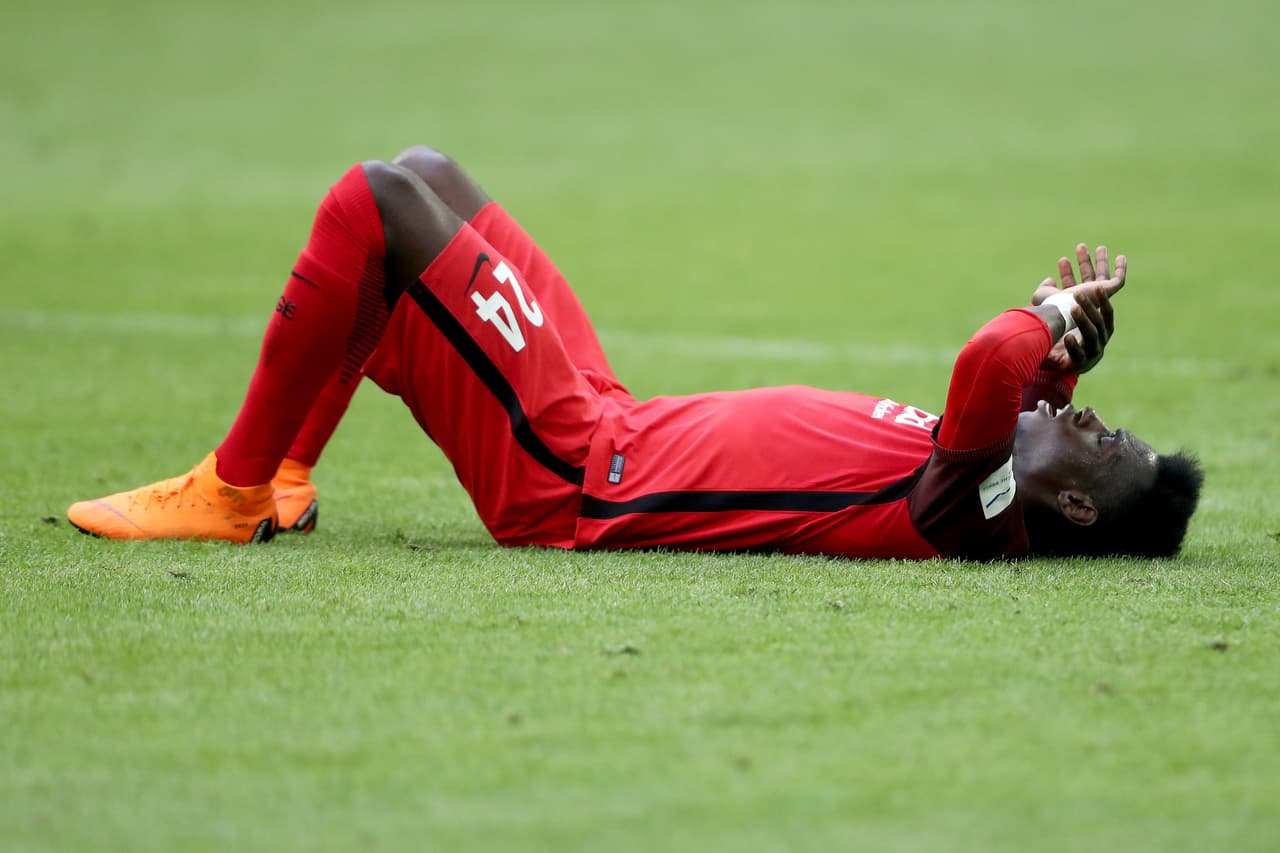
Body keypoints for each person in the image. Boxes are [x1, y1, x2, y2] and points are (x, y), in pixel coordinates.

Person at [66, 147, 1204, 559]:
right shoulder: (998, 483)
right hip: (608, 419)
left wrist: (1040, 322)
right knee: (430, 170)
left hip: (572, 472)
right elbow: (1007, 404)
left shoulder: (971, 512)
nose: (1083, 420)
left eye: (1097, 444)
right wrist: (1059, 374)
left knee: (375, 204)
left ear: (1073, 511)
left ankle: (229, 487)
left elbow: (979, 376)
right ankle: (288, 478)